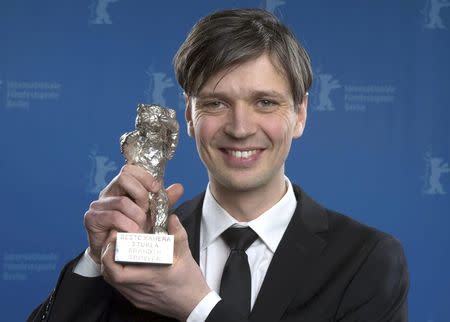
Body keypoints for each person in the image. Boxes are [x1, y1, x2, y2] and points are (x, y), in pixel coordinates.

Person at [28, 8, 409, 322]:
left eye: (265, 102)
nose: (240, 128)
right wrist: (95, 259)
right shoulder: (142, 242)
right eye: (215, 103)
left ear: (300, 114)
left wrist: (197, 306)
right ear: (189, 118)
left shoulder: (366, 261)